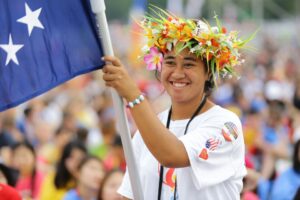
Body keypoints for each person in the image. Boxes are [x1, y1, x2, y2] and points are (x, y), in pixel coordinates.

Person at [102, 6, 254, 200]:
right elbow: (128, 196)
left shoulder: (226, 124)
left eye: (189, 64)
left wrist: (133, 96)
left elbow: (172, 156)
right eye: (170, 62)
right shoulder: (146, 131)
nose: (178, 73)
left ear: (209, 72)